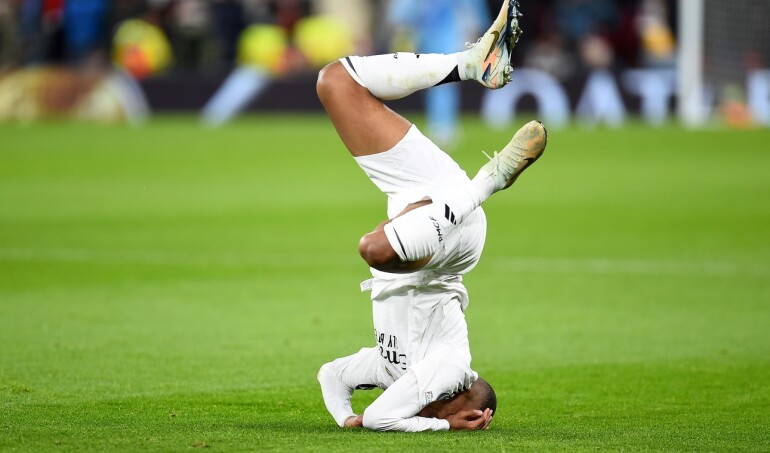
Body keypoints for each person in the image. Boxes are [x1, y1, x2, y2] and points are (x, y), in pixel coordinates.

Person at [316, 0, 547, 432]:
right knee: (374, 248)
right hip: (455, 235)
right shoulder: (452, 371)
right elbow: (381, 418)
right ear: (476, 413)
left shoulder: (390, 371)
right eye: (460, 418)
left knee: (336, 82)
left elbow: (331, 376)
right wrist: (442, 427)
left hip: (424, 199)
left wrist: (345, 417)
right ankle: (490, 181)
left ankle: (470, 63)